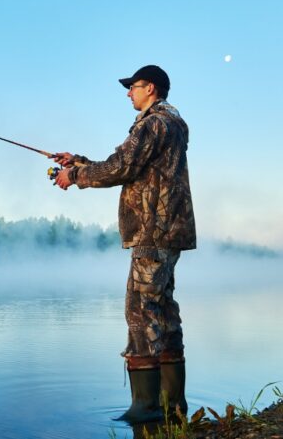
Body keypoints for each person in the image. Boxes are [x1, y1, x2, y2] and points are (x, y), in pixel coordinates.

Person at [52, 65, 196, 424]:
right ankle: (172, 406)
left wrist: (75, 176)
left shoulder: (153, 124)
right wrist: (80, 162)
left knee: (140, 310)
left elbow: (123, 166)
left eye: (132, 87)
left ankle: (145, 408)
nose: (128, 93)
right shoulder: (172, 124)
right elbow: (134, 166)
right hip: (169, 230)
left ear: (151, 88)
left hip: (152, 229)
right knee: (162, 309)